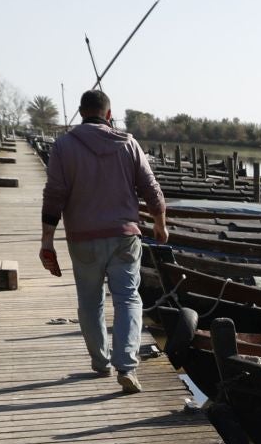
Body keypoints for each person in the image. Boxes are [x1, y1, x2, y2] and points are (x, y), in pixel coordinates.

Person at [39, 89, 167, 393]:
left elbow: (54, 194)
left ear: (81, 113)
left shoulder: (63, 146)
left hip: (82, 238)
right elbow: (151, 188)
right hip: (124, 237)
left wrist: (47, 240)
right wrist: (160, 222)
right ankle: (127, 365)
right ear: (109, 115)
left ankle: (100, 362)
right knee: (127, 299)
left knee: (90, 300)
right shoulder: (129, 143)